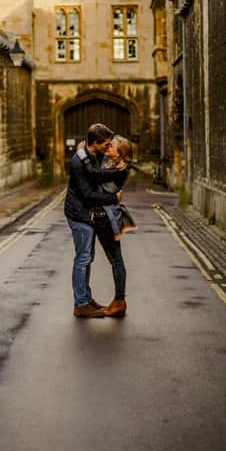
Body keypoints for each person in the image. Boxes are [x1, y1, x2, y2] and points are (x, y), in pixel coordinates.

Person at [64, 123, 123, 318]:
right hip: (79, 214)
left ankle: (86, 299)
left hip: (85, 214)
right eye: (105, 144)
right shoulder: (80, 162)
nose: (108, 147)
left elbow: (97, 176)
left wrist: (117, 171)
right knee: (82, 259)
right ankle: (80, 303)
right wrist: (113, 198)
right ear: (94, 143)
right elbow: (88, 194)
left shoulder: (90, 156)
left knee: (87, 258)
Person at [77, 135, 134, 318]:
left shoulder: (120, 170)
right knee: (90, 258)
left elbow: (95, 180)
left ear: (120, 154)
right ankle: (88, 299)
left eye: (112, 146)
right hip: (99, 217)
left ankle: (119, 301)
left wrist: (82, 155)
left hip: (106, 220)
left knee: (116, 260)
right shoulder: (109, 161)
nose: (108, 148)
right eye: (108, 145)